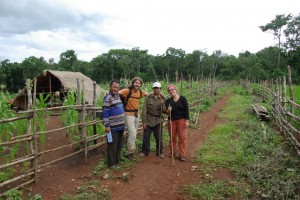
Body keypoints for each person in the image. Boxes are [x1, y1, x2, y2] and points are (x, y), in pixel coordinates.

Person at [119, 77, 147, 159]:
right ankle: (130, 152)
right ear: (132, 83)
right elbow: (117, 92)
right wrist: (107, 93)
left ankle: (131, 150)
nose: (137, 84)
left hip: (136, 115)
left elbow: (148, 94)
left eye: (139, 83)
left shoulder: (140, 92)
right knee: (133, 133)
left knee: (134, 133)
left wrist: (160, 93)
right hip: (128, 114)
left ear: (140, 85)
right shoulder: (127, 91)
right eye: (136, 82)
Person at [102, 80, 125, 168]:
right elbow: (105, 112)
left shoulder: (118, 97)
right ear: (110, 87)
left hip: (121, 125)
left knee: (119, 144)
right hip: (112, 127)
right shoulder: (107, 98)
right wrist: (107, 125)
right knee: (112, 145)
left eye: (117, 87)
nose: (116, 89)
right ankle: (111, 163)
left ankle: (117, 160)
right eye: (114, 87)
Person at [140, 82, 166, 158]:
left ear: (160, 89)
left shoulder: (163, 98)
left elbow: (164, 110)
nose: (156, 89)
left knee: (159, 137)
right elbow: (144, 110)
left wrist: (162, 104)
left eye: (157, 88)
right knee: (146, 137)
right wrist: (144, 122)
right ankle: (145, 151)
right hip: (148, 119)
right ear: (153, 89)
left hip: (158, 120)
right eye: (154, 88)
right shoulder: (148, 97)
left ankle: (160, 152)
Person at [165, 85, 189, 162]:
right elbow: (166, 113)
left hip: (181, 120)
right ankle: (173, 152)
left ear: (175, 89)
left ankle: (182, 155)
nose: (171, 91)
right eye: (169, 90)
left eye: (172, 89)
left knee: (182, 138)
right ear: (168, 92)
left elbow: (186, 110)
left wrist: (187, 120)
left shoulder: (183, 99)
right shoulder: (168, 101)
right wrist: (168, 110)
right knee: (172, 138)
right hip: (172, 121)